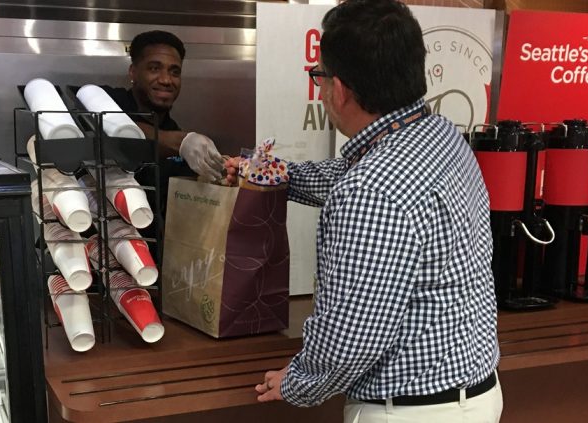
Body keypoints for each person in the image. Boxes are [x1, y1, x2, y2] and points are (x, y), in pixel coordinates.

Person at [225, 1, 502, 422]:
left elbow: (350, 341)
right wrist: (271, 173)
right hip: (475, 394)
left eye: (318, 77)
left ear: (339, 89)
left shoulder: (371, 188)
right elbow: (345, 173)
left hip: (411, 412)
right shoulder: (438, 133)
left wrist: (297, 381)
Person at [108, 30, 225, 210]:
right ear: (133, 72)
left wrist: (221, 175)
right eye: (154, 68)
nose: (165, 80)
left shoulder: (175, 133)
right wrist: (179, 142)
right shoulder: (105, 100)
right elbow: (109, 130)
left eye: (174, 72)